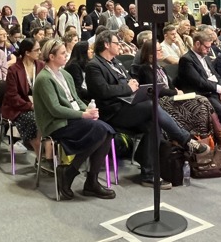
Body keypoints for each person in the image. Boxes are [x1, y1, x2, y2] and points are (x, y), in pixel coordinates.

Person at [85, 30, 209, 189]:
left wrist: (134, 85)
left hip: (128, 105)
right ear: (107, 45)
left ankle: (148, 173)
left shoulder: (116, 62)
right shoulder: (94, 66)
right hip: (111, 112)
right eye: (116, 43)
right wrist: (128, 88)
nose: (119, 46)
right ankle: (185, 140)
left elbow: (128, 82)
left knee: (153, 123)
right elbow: (102, 91)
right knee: (152, 107)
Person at [32, 39, 116, 200]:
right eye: (63, 53)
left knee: (108, 132)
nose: (66, 56)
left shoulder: (65, 74)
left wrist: (88, 110)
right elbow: (55, 109)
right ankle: (71, 173)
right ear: (51, 56)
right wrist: (83, 115)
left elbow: (76, 100)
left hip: (72, 119)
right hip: (56, 124)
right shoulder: (43, 79)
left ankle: (89, 180)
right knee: (101, 130)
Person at [137, 37, 221, 155]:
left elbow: (171, 85)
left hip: (172, 97)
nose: (162, 52)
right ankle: (219, 139)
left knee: (203, 104)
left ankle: (217, 139)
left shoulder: (160, 68)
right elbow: (154, 90)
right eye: (158, 50)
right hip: (160, 101)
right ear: (150, 53)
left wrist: (175, 90)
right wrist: (175, 92)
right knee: (202, 101)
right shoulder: (144, 69)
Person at [1, 39, 43, 158]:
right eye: (37, 50)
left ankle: (46, 153)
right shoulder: (14, 70)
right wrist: (30, 106)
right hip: (18, 107)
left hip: (38, 105)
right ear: (27, 53)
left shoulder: (41, 66)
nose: (40, 52)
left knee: (49, 118)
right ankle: (40, 158)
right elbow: (12, 96)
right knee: (34, 120)